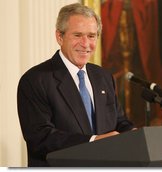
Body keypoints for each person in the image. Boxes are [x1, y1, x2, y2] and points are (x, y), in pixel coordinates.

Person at [17, 3, 135, 167]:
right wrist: (93, 141)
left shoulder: (104, 77)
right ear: (60, 37)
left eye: (92, 36)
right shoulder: (35, 80)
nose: (86, 44)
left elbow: (118, 121)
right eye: (78, 35)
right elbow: (40, 137)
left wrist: (134, 135)